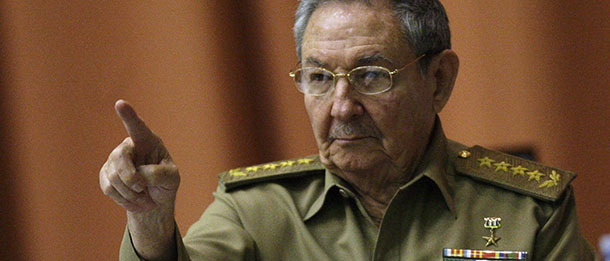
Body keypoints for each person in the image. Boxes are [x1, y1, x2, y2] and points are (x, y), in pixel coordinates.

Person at [99, 0, 599, 260]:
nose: (341, 107)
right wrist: (149, 219)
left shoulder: (528, 211)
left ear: (439, 80)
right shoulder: (256, 211)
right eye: (318, 77)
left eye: (371, 76)